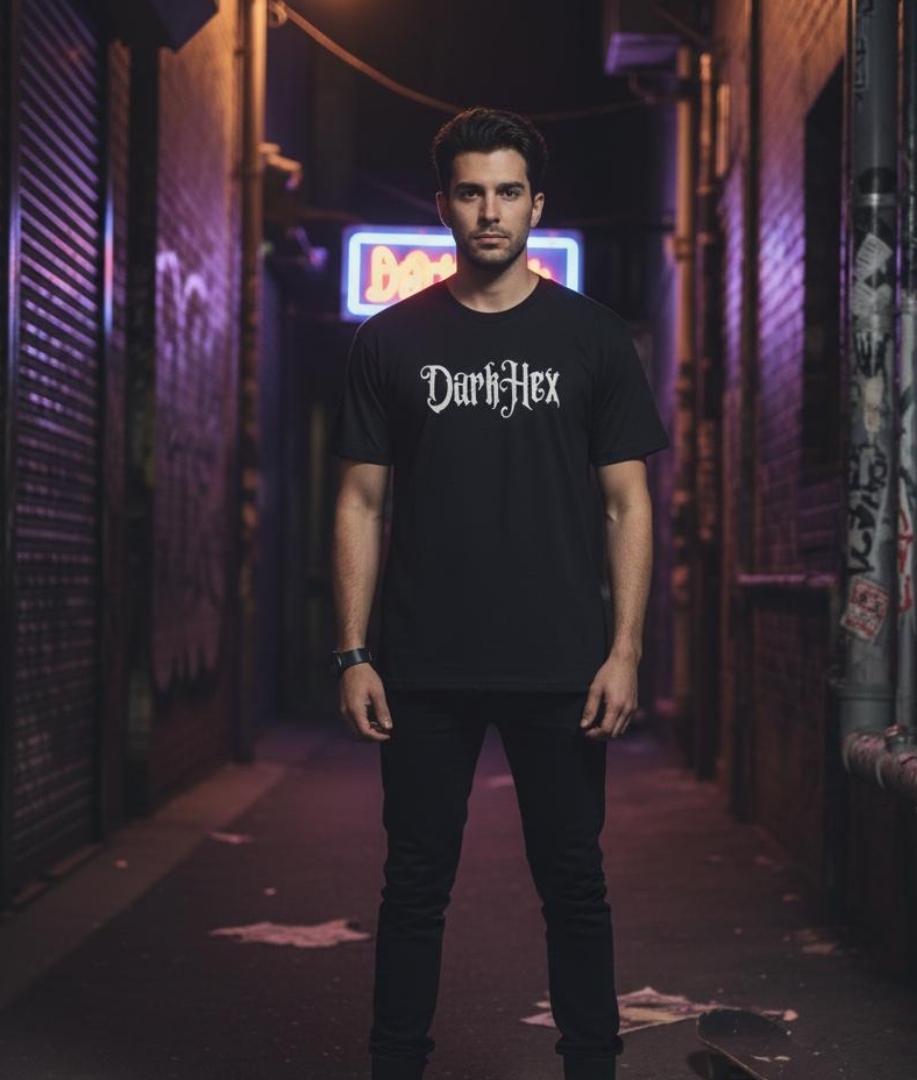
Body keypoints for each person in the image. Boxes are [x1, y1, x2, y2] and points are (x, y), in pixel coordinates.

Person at [329, 106, 670, 1080]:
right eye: (471, 192)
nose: (490, 211)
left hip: (561, 660)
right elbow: (358, 500)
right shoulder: (390, 340)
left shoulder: (594, 340)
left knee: (573, 883)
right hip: (424, 663)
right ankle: (396, 1064)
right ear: (444, 205)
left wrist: (626, 650)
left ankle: (591, 1067)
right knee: (414, 885)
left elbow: (626, 507)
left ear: (537, 205)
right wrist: (353, 652)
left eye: (508, 192)